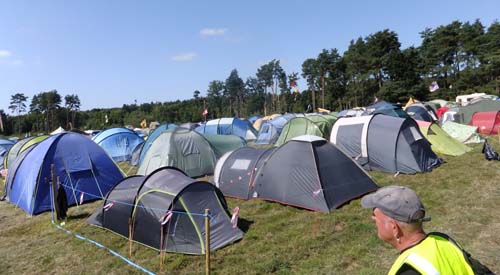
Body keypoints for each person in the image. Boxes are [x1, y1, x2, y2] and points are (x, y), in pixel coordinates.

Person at [361, 185, 475, 275]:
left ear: (394, 228)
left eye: (375, 215)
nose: (372, 218)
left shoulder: (409, 270)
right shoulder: (444, 241)